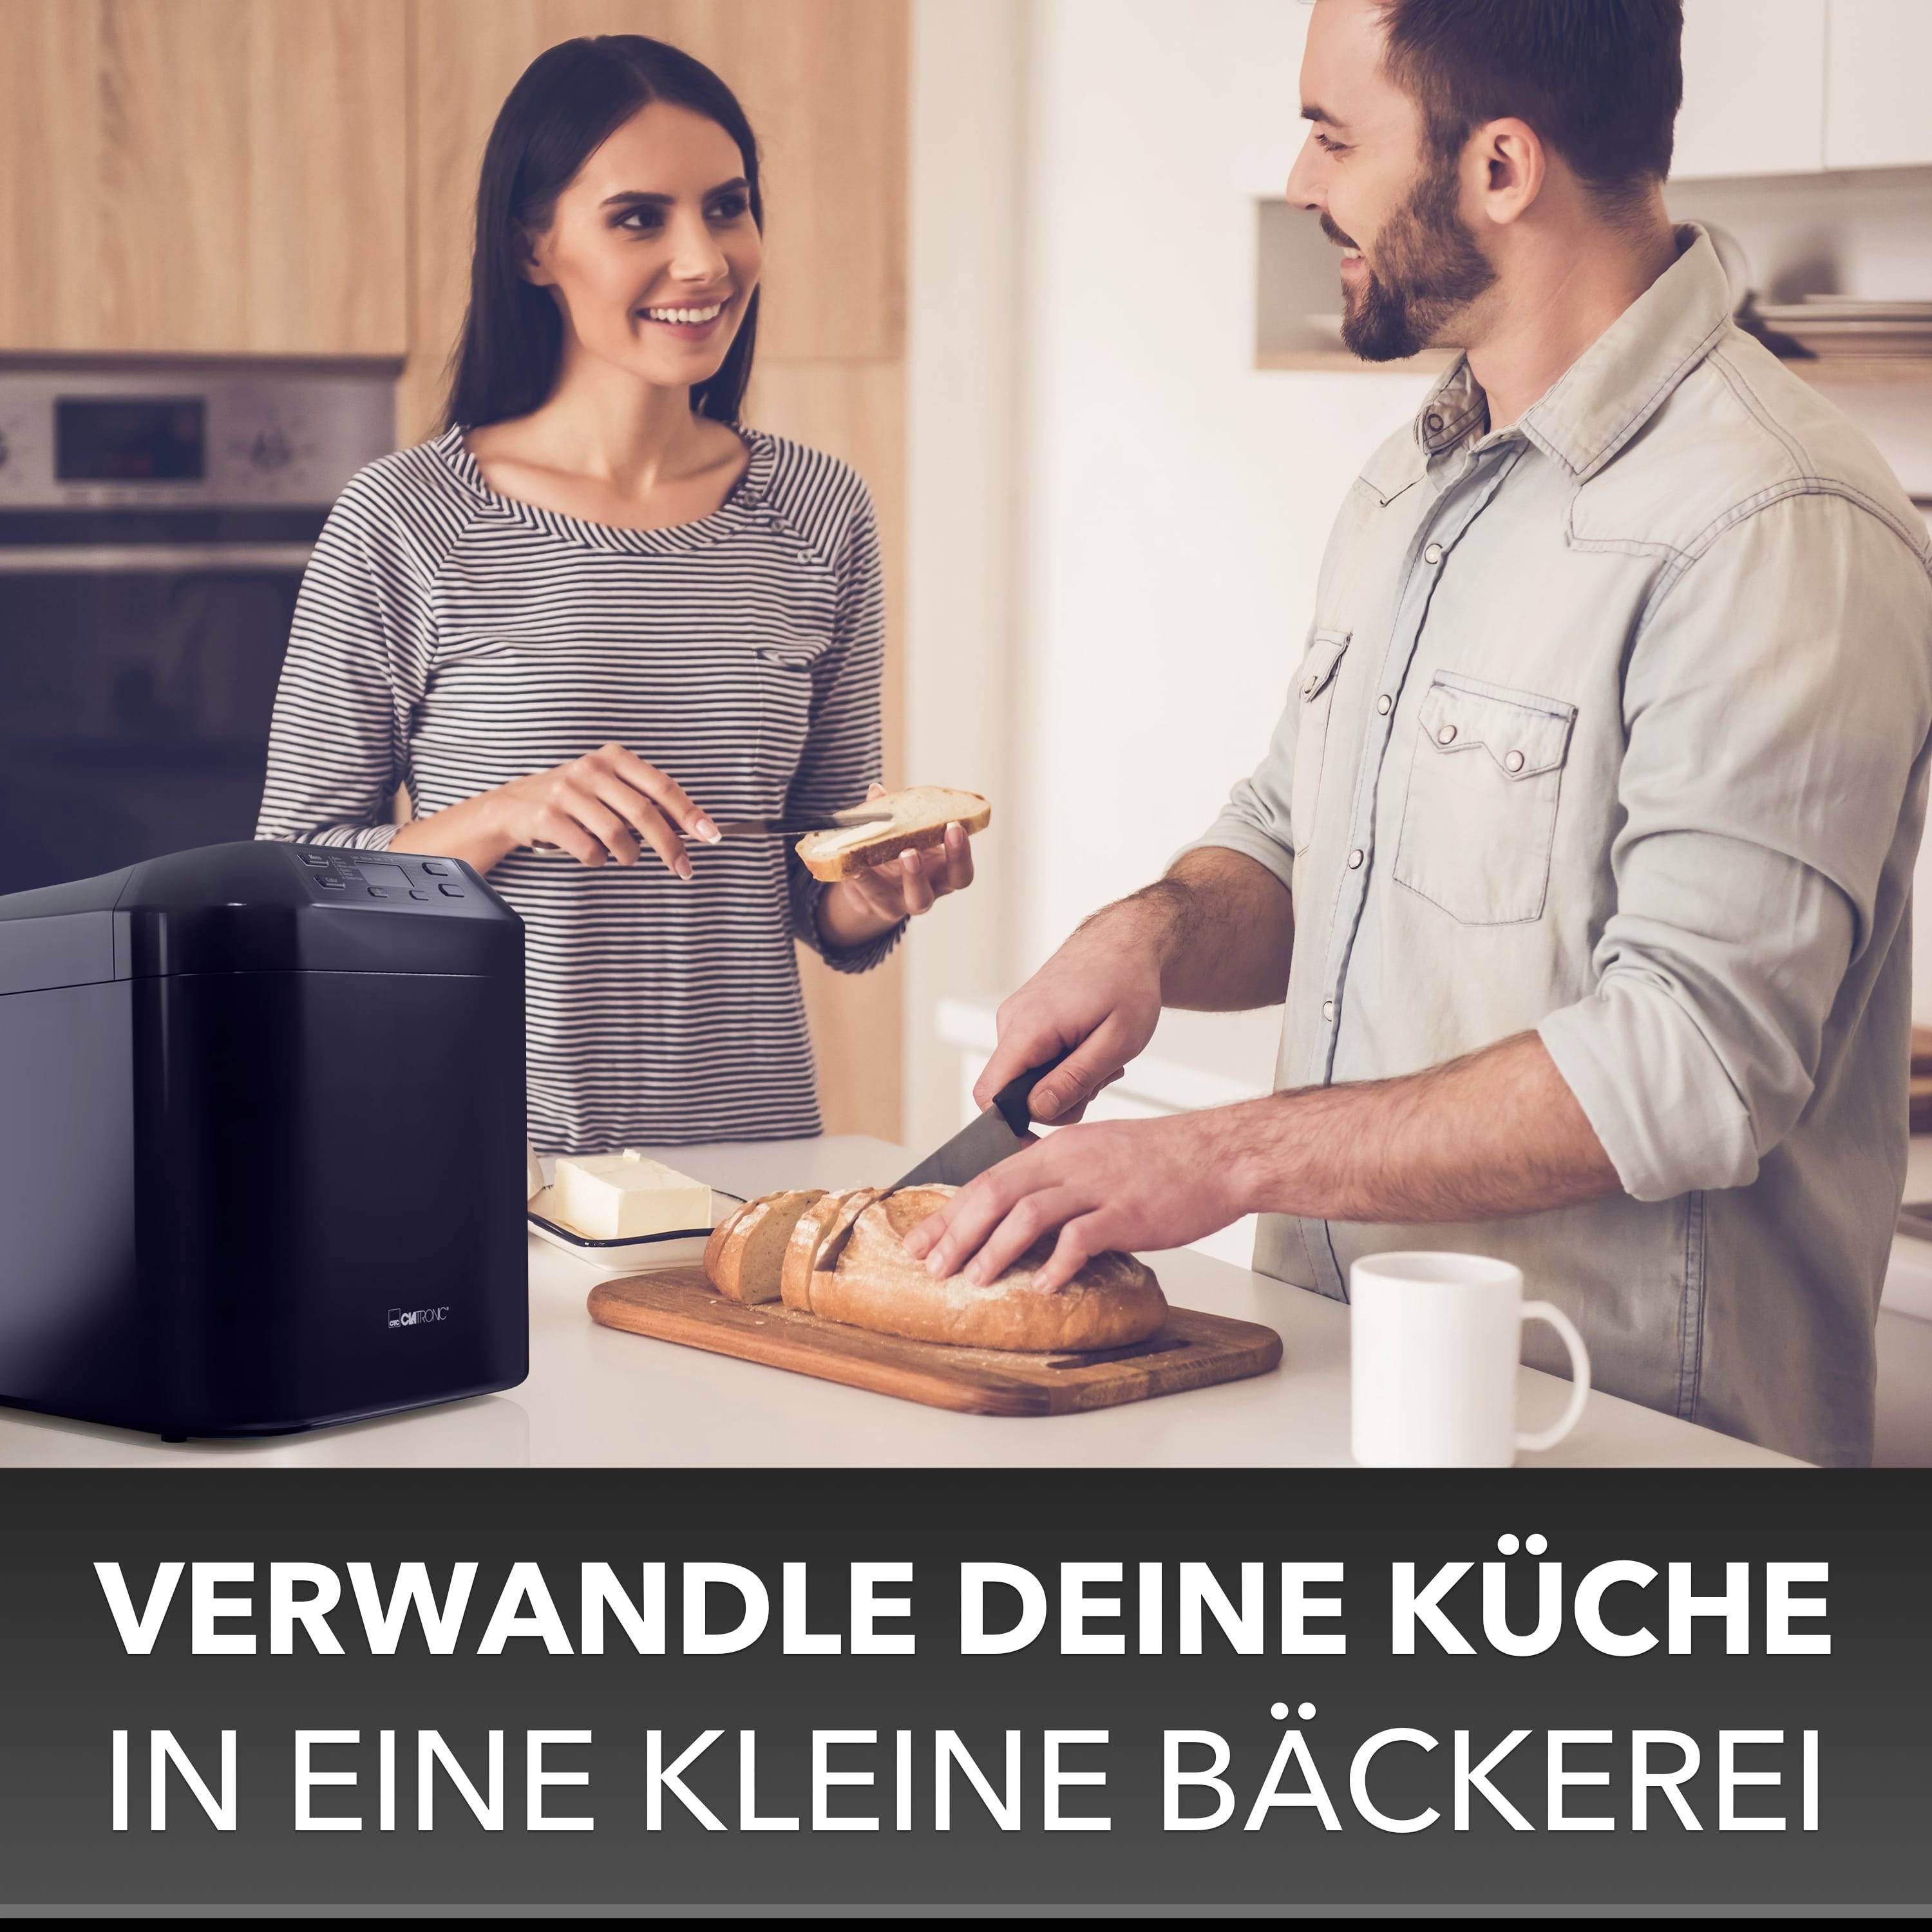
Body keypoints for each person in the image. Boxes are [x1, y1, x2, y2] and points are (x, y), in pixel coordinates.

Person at [909, 0, 1932, 1466]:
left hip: (1616, 1454)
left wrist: (1215, 1159)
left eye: (1334, 135)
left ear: (1501, 166)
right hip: (1335, 1397)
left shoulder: (1774, 527)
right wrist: (1149, 937)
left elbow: (1693, 1062)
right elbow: (1296, 831)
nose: (1305, 181)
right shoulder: (1416, 481)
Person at [256, 35, 972, 1153]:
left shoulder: (819, 512)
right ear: (534, 246)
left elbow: (814, 874)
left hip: (750, 1166)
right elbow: (294, 878)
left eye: (727, 209)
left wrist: (872, 897)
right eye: (639, 218)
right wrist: (498, 816)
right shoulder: (409, 518)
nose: (704, 260)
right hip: (479, 1172)